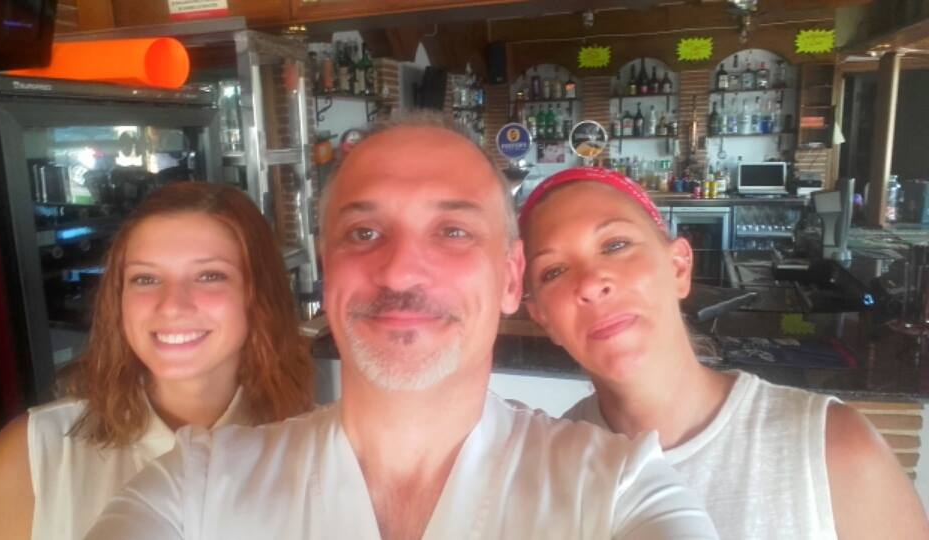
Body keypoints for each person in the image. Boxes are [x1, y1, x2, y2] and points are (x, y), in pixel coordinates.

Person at [85, 114, 718, 539]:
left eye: (453, 231)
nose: (401, 268)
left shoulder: (618, 492)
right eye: (364, 233)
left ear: (509, 278)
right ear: (328, 272)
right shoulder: (197, 484)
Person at [518, 166, 929, 539]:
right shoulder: (541, 474)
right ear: (542, 317)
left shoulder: (832, 450)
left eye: (615, 244)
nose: (591, 284)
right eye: (554, 271)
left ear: (679, 267)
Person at [0, 182, 314, 540]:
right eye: (145, 279)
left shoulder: (321, 453)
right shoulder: (29, 459)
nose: (172, 305)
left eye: (210, 275)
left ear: (259, 294)